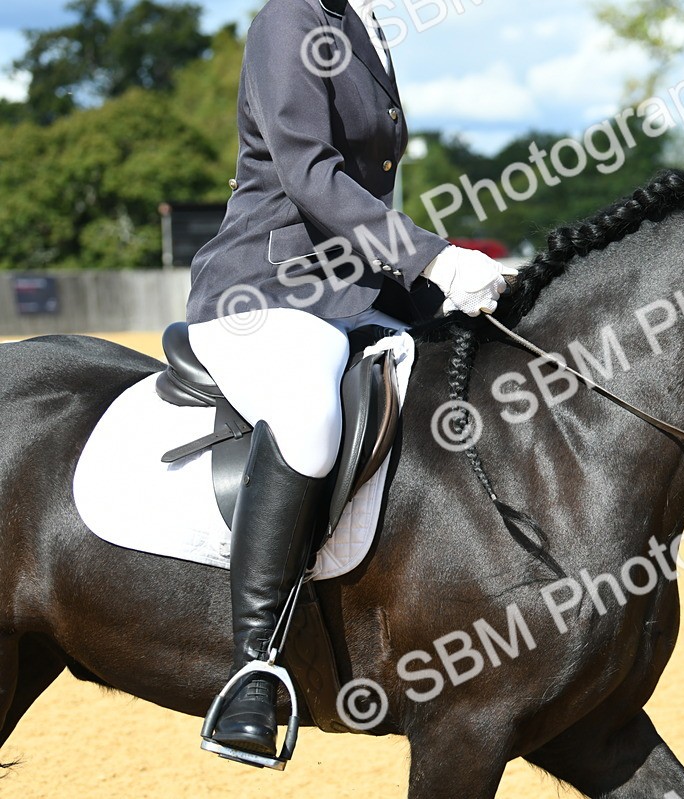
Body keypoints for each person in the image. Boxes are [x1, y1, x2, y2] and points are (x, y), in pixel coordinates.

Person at [185, 0, 515, 762]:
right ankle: (252, 668)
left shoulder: (361, 24)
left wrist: (442, 283)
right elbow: (308, 171)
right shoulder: (287, 19)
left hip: (353, 288)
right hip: (264, 290)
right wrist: (431, 256)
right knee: (309, 415)